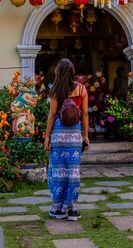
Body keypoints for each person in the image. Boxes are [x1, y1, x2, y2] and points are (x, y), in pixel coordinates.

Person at [43, 58, 89, 220]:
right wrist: (85, 136)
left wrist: (47, 136)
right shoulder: (82, 89)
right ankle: (72, 209)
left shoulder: (55, 90)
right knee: (73, 172)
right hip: (75, 135)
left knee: (58, 171)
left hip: (58, 134)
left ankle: (58, 208)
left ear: (58, 72)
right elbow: (84, 114)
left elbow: (52, 114)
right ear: (72, 72)